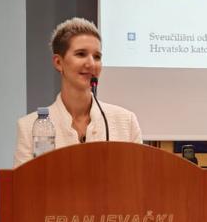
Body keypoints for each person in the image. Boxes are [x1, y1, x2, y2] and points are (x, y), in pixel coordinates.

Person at [14, 18, 141, 165]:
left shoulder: (126, 121)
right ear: (58, 62)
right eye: (81, 54)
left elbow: (140, 177)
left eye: (97, 56)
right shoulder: (29, 126)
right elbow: (24, 180)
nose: (91, 64)